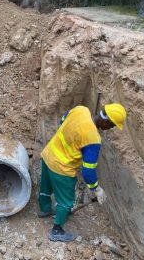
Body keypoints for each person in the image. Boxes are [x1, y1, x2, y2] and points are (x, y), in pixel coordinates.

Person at [38, 103, 127, 242]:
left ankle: (44, 209)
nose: (110, 128)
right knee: (66, 201)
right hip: (62, 168)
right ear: (106, 120)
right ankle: (56, 230)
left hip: (49, 153)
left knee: (45, 187)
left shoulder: (81, 110)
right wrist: (96, 188)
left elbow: (62, 120)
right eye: (112, 125)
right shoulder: (93, 139)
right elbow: (88, 170)